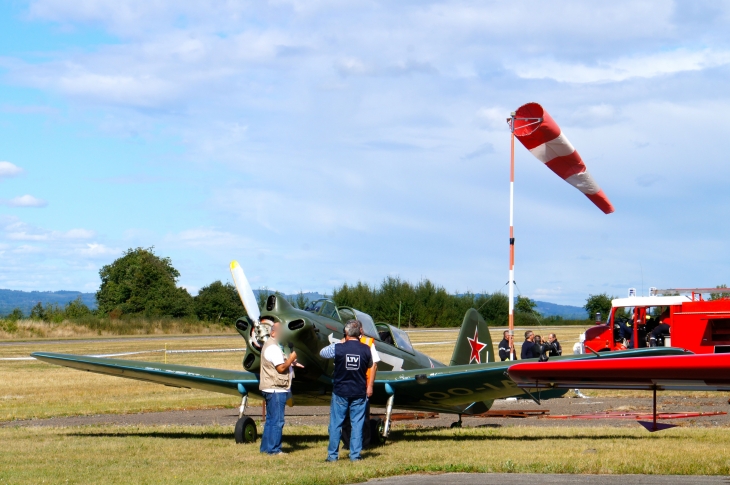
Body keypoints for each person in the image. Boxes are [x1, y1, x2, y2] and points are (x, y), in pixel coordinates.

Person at [320, 320, 374, 462]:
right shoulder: (366, 349)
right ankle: (355, 455)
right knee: (357, 424)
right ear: (359, 334)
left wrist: (340, 342)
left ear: (346, 333)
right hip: (359, 391)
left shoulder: (338, 348)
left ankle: (332, 456)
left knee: (335, 424)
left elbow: (322, 353)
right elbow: (370, 364)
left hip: (340, 391)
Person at [258, 319, 302, 455]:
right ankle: (274, 450)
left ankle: (266, 448)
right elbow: (281, 368)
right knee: (277, 421)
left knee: (271, 420)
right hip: (276, 388)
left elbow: (279, 364)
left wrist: (292, 364)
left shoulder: (271, 346)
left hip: (271, 388)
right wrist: (291, 358)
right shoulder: (273, 348)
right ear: (273, 333)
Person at [341, 321, 380, 450]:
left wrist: (370, 385)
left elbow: (374, 365)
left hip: (362, 384)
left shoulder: (369, 343)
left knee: (363, 417)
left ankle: (364, 444)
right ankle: (347, 443)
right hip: (346, 384)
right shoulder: (343, 342)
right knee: (346, 417)